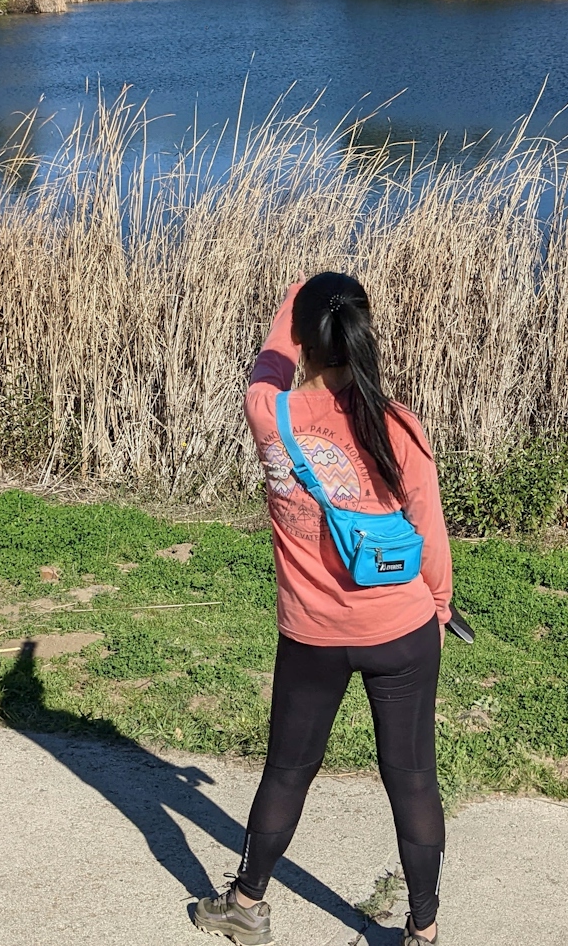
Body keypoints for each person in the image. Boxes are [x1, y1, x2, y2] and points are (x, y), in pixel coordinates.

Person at [194, 272, 453, 946]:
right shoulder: (397, 423)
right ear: (364, 333)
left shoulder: (269, 413)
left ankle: (246, 905)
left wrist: (299, 288)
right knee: (414, 780)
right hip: (401, 628)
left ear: (306, 336)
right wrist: (440, 607)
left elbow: (270, 358)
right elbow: (428, 530)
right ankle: (422, 933)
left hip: (312, 636)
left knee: (287, 771)